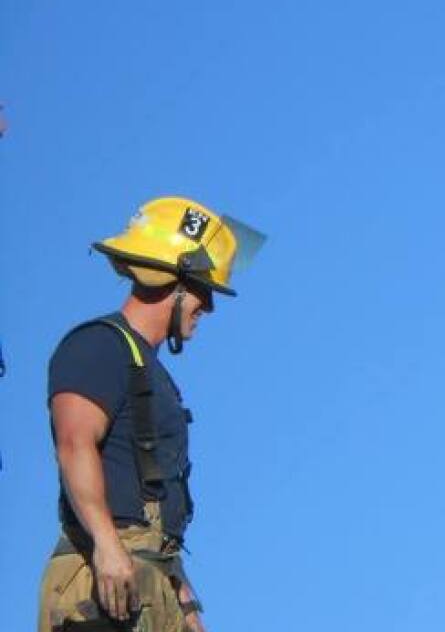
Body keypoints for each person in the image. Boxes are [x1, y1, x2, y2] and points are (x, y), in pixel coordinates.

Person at [38, 196, 264, 632]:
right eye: (203, 290)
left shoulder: (150, 371)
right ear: (175, 283)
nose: (208, 307)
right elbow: (74, 442)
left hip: (150, 577)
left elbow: (156, 512)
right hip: (101, 589)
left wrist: (185, 604)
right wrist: (105, 545)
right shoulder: (99, 345)